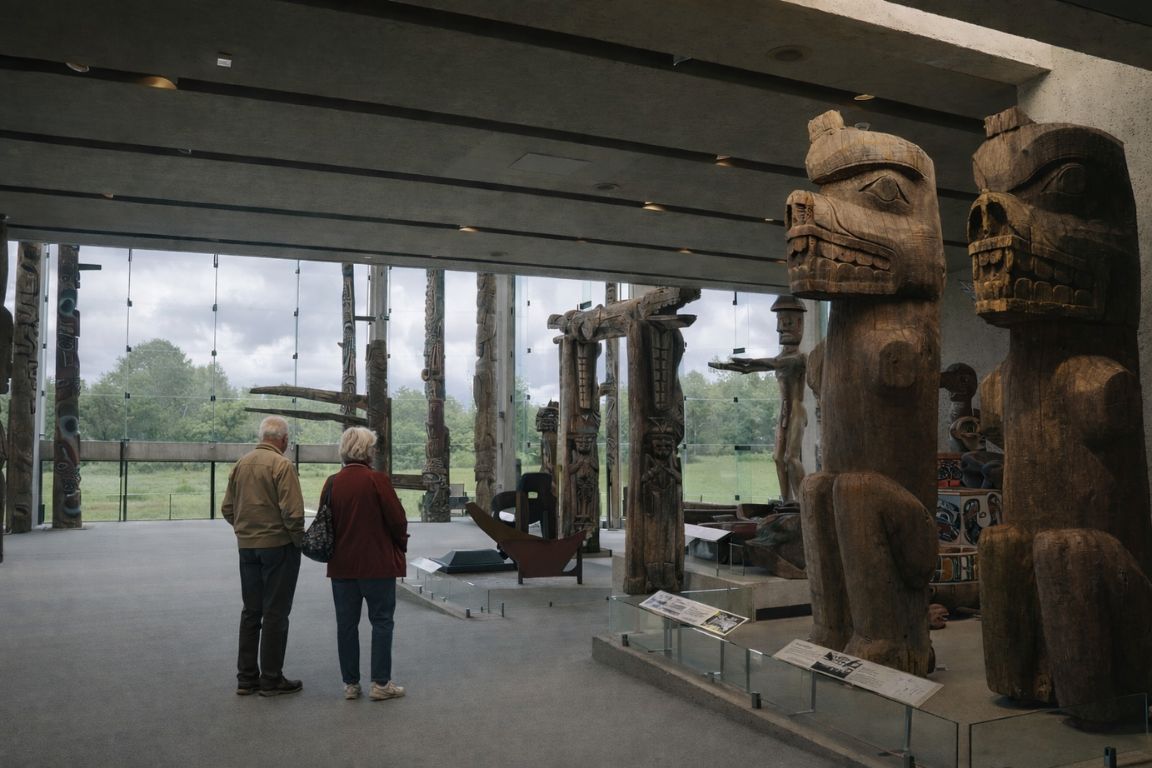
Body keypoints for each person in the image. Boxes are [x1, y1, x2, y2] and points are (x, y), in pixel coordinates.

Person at [221, 415, 306, 697]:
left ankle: (246, 678)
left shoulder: (240, 464)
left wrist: (245, 531)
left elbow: (227, 508)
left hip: (247, 548)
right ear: (283, 440)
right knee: (275, 614)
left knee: (251, 611)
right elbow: (293, 513)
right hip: (278, 547)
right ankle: (271, 679)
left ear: (262, 437)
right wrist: (296, 542)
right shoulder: (282, 465)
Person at [325, 426, 409, 701]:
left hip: (342, 565)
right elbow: (397, 519)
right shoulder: (377, 480)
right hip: (377, 564)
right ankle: (380, 683)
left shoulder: (332, 482)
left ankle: (350, 684)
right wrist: (399, 543)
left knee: (346, 625)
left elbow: (327, 524)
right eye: (372, 446)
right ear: (366, 450)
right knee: (382, 622)